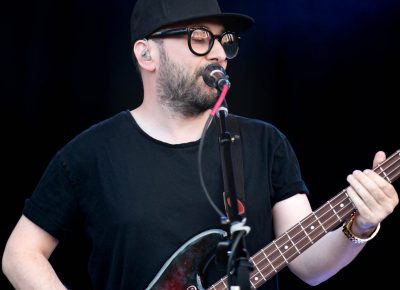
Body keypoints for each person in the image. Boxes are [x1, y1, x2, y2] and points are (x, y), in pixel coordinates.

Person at [2, 0, 399, 289]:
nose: (219, 53)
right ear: (146, 53)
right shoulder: (90, 154)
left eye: (224, 41)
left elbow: (309, 266)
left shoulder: (264, 144)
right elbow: (20, 254)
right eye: (198, 39)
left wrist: (360, 226)